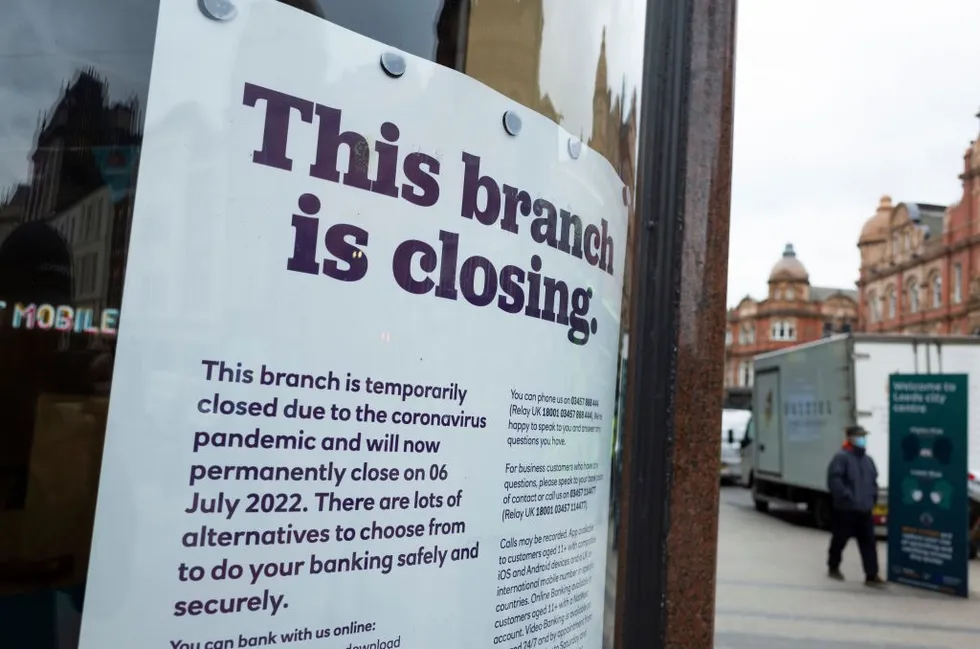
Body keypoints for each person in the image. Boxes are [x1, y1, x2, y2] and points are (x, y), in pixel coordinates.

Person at [826, 425, 886, 588]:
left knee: (868, 542)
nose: (863, 439)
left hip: (864, 508)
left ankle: (871, 575)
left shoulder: (868, 460)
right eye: (860, 436)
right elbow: (834, 480)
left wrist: (872, 497)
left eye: (864, 436)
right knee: (840, 539)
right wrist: (846, 497)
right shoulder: (841, 457)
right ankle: (833, 566)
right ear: (850, 438)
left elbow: (873, 481)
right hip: (846, 509)